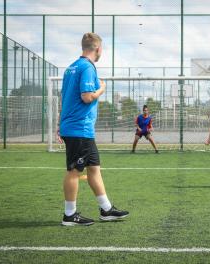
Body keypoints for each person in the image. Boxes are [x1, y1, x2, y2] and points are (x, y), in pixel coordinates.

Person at [57, 32, 129, 226]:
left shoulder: (71, 68)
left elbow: (65, 98)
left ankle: (106, 210)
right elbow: (87, 97)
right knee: (74, 170)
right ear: (98, 49)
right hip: (78, 128)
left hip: (79, 128)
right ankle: (69, 215)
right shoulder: (87, 67)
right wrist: (102, 89)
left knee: (94, 168)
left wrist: (60, 123)